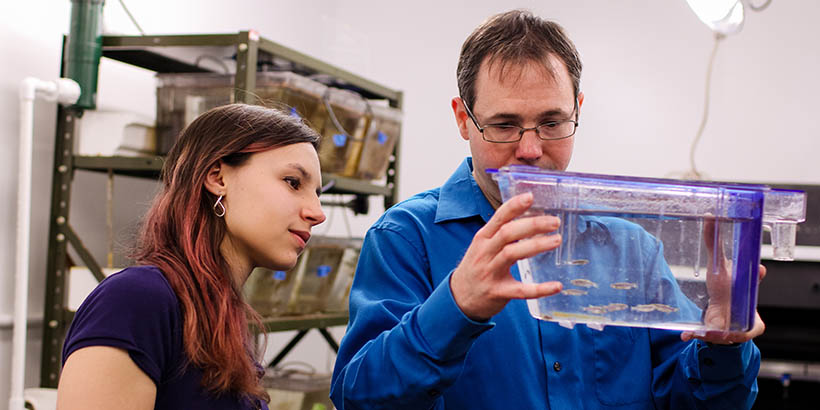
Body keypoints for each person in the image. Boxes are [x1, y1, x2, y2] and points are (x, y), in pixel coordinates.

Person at [331, 9, 764, 409]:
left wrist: (722, 345)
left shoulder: (633, 249)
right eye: (504, 125)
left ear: (578, 109)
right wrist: (456, 306)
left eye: (553, 123)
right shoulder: (406, 238)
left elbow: (695, 401)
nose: (531, 149)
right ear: (463, 119)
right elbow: (358, 398)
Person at [57, 103, 327, 410]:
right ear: (218, 178)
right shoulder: (135, 300)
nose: (317, 213)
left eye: (318, 193)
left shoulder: (218, 318)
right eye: (293, 182)